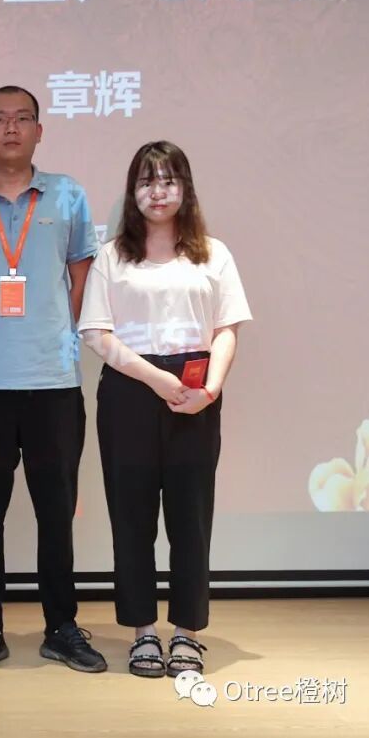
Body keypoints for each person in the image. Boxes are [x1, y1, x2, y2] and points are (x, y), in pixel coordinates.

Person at [0, 85, 108, 675]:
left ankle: (61, 626)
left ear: (39, 130)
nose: (10, 128)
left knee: (55, 512)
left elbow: (82, 276)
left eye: (22, 118)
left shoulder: (68, 194)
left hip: (53, 381)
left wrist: (54, 330)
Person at [79, 140, 251, 677]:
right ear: (132, 191)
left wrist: (210, 389)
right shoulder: (113, 255)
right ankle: (143, 632)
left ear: (185, 188)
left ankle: (187, 633)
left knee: (190, 518)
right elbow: (96, 333)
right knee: (131, 518)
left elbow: (226, 329)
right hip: (131, 389)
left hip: (196, 394)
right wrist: (156, 379)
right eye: (147, 181)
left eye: (169, 180)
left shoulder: (213, 254)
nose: (158, 192)